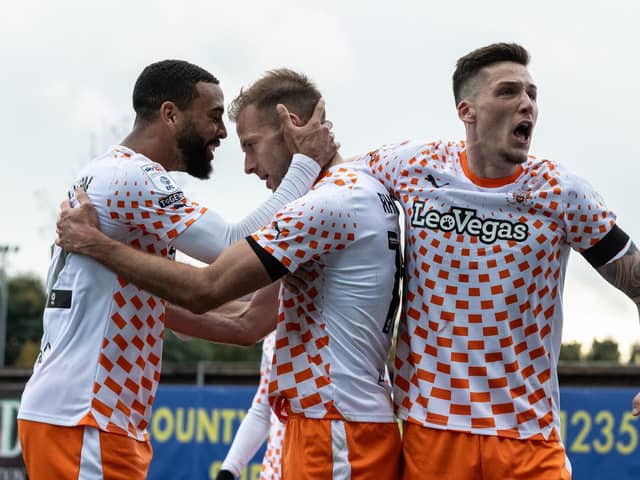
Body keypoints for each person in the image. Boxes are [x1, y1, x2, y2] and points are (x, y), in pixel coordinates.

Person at [56, 69, 403, 479]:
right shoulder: (354, 192)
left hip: (334, 426)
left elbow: (209, 286)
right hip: (330, 422)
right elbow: (246, 322)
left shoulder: (326, 204)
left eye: (251, 146)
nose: (248, 166)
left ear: (292, 128)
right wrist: (124, 296)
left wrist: (98, 247)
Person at [359, 42, 640, 479]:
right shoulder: (413, 166)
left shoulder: (561, 192)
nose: (526, 103)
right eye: (509, 92)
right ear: (466, 111)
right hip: (433, 433)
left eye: (532, 94)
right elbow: (335, 180)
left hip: (528, 439)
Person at [215, 331, 285, 480]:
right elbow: (263, 410)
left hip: (320, 468)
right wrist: (229, 469)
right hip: (273, 473)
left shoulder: (336, 328)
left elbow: (247, 326)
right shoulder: (272, 337)